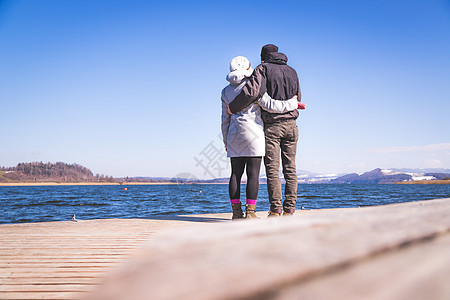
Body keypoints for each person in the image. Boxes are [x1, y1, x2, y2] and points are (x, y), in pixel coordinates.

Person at [228, 44, 306, 217]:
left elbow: (252, 93)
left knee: (272, 169)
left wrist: (232, 107)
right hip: (292, 125)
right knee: (290, 168)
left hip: (272, 125)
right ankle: (290, 208)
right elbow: (297, 97)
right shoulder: (292, 71)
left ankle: (276, 209)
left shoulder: (262, 68)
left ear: (263, 57)